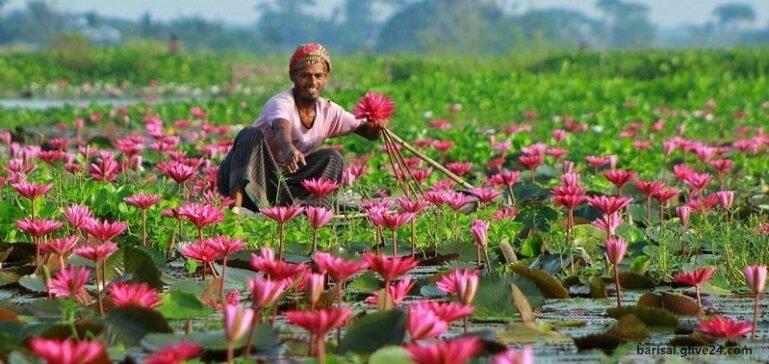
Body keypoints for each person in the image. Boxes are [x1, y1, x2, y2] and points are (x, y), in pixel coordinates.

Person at [217, 43, 384, 213]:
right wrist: (289, 149)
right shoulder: (281, 103)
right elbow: (281, 128)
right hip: (251, 176)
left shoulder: (329, 111)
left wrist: (376, 128)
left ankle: (312, 211)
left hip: (283, 184)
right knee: (249, 135)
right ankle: (235, 209)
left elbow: (365, 131)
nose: (312, 82)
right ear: (293, 76)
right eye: (305, 76)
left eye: (318, 76)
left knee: (332, 157)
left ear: (326, 77)